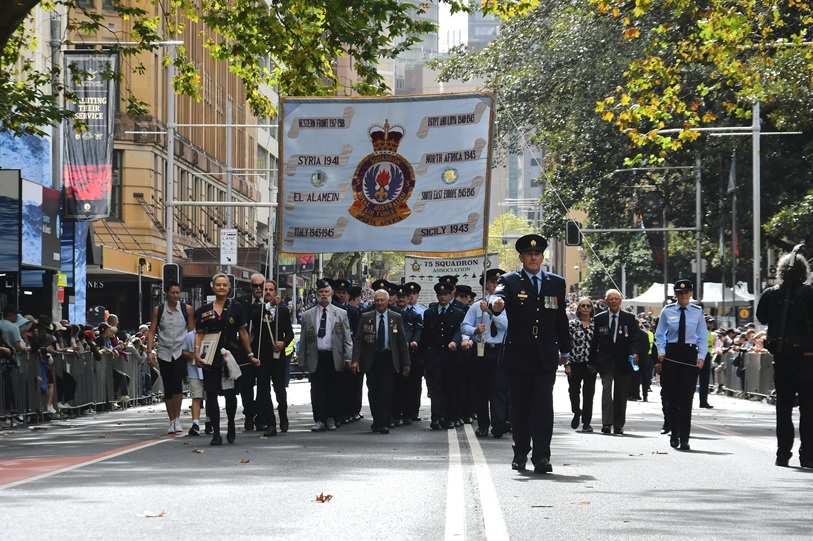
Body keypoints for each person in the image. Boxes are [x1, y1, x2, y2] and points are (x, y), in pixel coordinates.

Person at [490, 234, 571, 474]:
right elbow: (498, 296)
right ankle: (520, 453)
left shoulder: (556, 283)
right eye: (528, 254)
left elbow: (560, 319)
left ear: (542, 257)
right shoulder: (510, 280)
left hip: (545, 352)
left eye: (537, 254)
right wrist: (496, 304)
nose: (533, 257)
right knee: (520, 406)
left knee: (543, 407)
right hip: (519, 352)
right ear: (521, 257)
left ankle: (542, 456)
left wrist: (565, 350)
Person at [756, 250, 813, 468]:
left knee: (783, 408)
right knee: (809, 409)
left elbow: (762, 317)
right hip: (807, 358)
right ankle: (808, 455)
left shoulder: (771, 293)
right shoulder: (810, 293)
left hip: (781, 358)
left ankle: (782, 454)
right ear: (804, 271)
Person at [192, 273, 259, 446]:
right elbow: (199, 334)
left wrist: (250, 355)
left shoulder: (236, 307)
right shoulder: (204, 310)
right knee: (211, 394)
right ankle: (216, 432)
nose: (221, 288)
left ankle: (230, 424)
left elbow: (243, 332)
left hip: (231, 357)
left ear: (229, 288)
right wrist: (196, 353)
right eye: (218, 285)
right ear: (213, 287)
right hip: (210, 357)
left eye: (224, 285)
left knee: (230, 394)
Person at [654, 278, 707, 451]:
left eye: (686, 292)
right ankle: (674, 433)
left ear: (691, 293)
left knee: (686, 398)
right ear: (675, 294)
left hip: (689, 355)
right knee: (671, 397)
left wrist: (701, 356)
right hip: (672, 354)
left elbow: (702, 336)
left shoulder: (697, 312)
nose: (683, 295)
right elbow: (659, 334)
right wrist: (661, 351)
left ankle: (684, 438)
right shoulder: (667, 311)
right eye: (680, 292)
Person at [351, 288, 411, 434]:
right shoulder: (366, 317)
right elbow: (359, 340)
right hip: (371, 359)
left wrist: (406, 363)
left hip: (389, 358)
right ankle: (376, 420)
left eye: (382, 300)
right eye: (377, 300)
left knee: (386, 391)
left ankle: (383, 422)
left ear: (388, 301)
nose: (379, 303)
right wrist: (355, 360)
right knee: (373, 391)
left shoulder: (395, 317)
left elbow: (401, 341)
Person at [298, 279, 353, 432]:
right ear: (317, 294)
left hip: (334, 357)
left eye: (326, 292)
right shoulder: (308, 314)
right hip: (316, 356)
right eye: (321, 292)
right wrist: (301, 360)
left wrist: (348, 357)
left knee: (333, 388)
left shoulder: (341, 313)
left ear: (331, 293)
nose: (323, 295)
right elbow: (303, 339)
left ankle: (331, 418)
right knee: (317, 390)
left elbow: (347, 338)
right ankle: (319, 419)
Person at [461, 268, 510, 438]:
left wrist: (491, 311)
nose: (495, 286)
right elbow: (464, 326)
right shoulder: (476, 306)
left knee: (499, 388)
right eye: (492, 282)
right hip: (482, 350)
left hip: (500, 351)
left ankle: (498, 423)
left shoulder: (506, 305)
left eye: (498, 283)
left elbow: (505, 326)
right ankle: (483, 425)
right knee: (481, 389)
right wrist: (475, 330)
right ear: (485, 285)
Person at [590, 289, 642, 435]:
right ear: (606, 300)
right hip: (605, 361)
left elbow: (635, 339)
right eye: (610, 299)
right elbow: (595, 341)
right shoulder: (599, 318)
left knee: (621, 394)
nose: (613, 301)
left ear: (620, 300)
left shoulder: (629, 318)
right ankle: (607, 423)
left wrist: (635, 353)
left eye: (616, 298)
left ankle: (618, 424)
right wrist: (592, 361)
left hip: (623, 361)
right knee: (606, 391)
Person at [248, 278, 295, 436]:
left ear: (275, 292)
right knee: (263, 389)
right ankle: (270, 423)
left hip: (278, 356)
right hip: (261, 355)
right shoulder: (258, 308)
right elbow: (254, 317)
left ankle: (283, 415)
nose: (268, 292)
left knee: (279, 388)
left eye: (271, 290)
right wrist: (269, 306)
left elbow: (289, 333)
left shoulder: (283, 310)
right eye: (265, 289)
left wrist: (283, 343)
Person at [147, 281, 194, 434]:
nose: (175, 295)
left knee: (177, 383)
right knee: (168, 386)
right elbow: (152, 331)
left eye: (177, 292)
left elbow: (192, 332)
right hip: (164, 351)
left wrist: (194, 351)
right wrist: (149, 351)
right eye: (172, 292)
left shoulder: (186, 309)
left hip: (180, 351)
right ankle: (171, 420)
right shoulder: (159, 310)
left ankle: (178, 418)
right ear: (166, 293)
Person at [420, 280, 465, 430]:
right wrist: (422, 355)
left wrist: (454, 342)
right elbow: (425, 335)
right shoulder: (430, 312)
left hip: (451, 356)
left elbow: (460, 330)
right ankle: (436, 417)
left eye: (445, 294)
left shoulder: (457, 313)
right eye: (440, 294)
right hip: (434, 355)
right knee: (435, 388)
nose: (442, 297)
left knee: (450, 388)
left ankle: (449, 417)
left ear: (451, 295)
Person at [391, 284, 423, 425]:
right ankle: (395, 413)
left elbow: (418, 330)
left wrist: (415, 341)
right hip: (394, 354)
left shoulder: (413, 315)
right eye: (399, 297)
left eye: (404, 297)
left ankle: (409, 412)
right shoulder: (391, 313)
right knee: (395, 385)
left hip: (410, 354)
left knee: (411, 385)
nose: (401, 300)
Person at [566, 297, 596, 432]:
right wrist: (567, 364)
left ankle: (586, 422)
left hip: (590, 364)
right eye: (583, 306)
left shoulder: (595, 325)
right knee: (573, 390)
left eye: (588, 306)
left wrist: (596, 362)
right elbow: (566, 344)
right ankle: (576, 411)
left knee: (589, 393)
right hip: (575, 363)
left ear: (591, 309)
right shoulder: (572, 325)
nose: (585, 308)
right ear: (578, 308)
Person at [180, 330, 204, 436]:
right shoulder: (190, 335)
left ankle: (209, 421)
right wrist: (191, 354)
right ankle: (195, 423)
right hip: (194, 371)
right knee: (196, 397)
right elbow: (183, 351)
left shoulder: (212, 332)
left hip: (209, 370)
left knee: (210, 397)